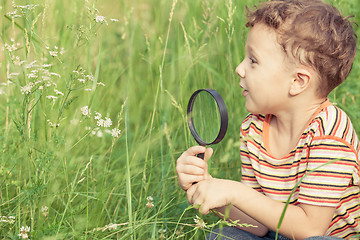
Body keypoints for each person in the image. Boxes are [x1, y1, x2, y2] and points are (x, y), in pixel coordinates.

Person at [176, 0, 359, 239]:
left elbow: (311, 229)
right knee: (225, 235)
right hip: (277, 233)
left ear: (298, 82)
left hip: (325, 236)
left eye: (253, 61)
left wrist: (236, 192)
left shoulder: (329, 134)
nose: (239, 68)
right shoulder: (254, 127)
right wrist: (209, 188)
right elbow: (258, 225)